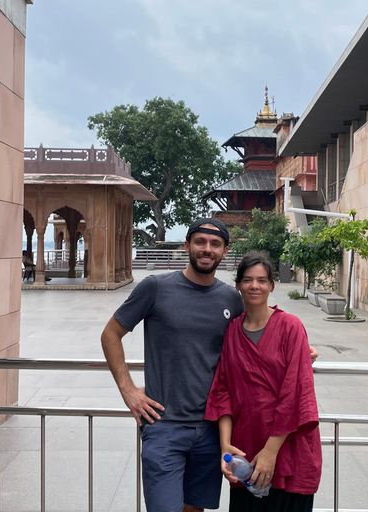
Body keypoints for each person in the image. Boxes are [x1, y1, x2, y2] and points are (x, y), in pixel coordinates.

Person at [100, 218, 317, 512]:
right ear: (187, 245)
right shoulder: (155, 288)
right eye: (200, 242)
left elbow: (256, 328)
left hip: (211, 431)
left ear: (225, 251)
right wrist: (128, 391)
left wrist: (298, 349)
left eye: (215, 244)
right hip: (165, 425)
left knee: (194, 509)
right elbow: (111, 334)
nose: (207, 249)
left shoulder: (230, 298)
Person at [205, 252, 322, 512]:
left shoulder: (291, 327)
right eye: (247, 280)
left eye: (261, 280)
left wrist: (271, 452)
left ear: (271, 285)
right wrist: (226, 446)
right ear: (237, 285)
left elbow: (295, 392)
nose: (254, 286)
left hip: (290, 448)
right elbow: (222, 390)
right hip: (246, 451)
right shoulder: (232, 331)